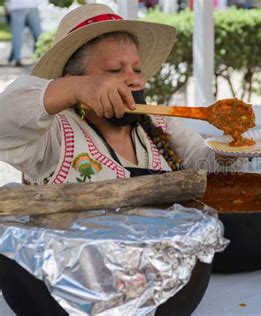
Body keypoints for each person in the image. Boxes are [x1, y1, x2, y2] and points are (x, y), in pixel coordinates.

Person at [0, 4, 233, 315]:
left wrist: (233, 149)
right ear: (75, 80)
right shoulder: (53, 136)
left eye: (137, 70)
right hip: (72, 298)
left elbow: (212, 169)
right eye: (114, 71)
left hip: (170, 291)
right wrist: (72, 90)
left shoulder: (160, 127)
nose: (133, 80)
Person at [7, 0, 43, 66]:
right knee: (38, 33)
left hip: (17, 5)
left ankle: (16, 58)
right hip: (32, 4)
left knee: (17, 34)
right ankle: (42, 56)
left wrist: (8, 6)